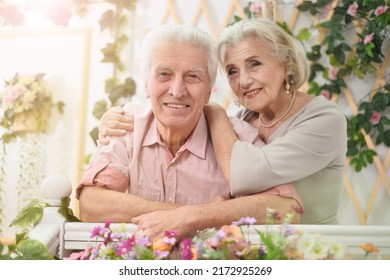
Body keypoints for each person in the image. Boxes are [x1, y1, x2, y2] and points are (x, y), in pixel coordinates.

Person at [98, 18, 347, 225]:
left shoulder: (324, 120)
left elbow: (248, 176)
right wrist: (112, 122)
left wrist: (214, 110)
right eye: (232, 71)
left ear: (286, 65)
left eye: (255, 64)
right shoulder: (244, 120)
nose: (244, 80)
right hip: (263, 250)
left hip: (313, 246)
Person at [77, 24, 303, 241]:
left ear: (208, 91)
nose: (177, 90)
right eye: (164, 74)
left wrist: (192, 217)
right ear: (147, 85)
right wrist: (189, 212)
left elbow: (288, 208)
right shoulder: (125, 125)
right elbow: (90, 204)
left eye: (193, 76)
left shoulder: (237, 137)